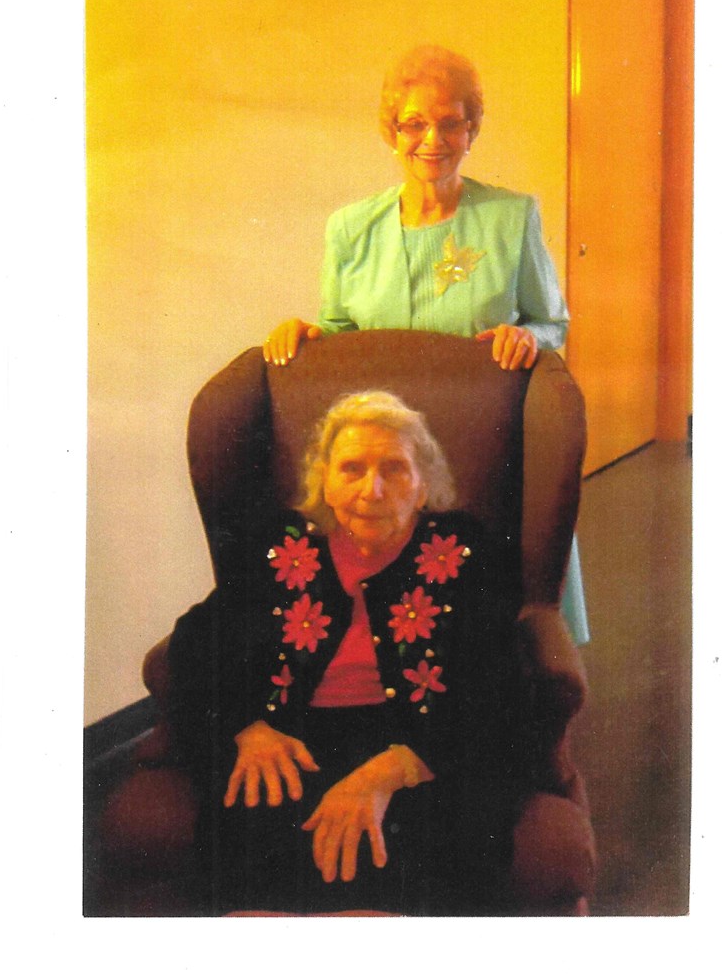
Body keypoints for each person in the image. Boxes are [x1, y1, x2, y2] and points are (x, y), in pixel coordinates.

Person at [261, 42, 588, 643]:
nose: (431, 139)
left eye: (450, 123)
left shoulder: (512, 216)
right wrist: (307, 334)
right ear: (392, 132)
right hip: (392, 468)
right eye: (414, 123)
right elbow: (341, 330)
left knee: (492, 635)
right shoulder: (350, 228)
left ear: (471, 131)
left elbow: (553, 323)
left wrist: (525, 334)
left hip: (485, 449)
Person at [172, 391, 520, 915]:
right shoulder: (282, 546)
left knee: (397, 895)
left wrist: (390, 772)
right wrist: (249, 728)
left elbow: (501, 685)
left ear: (424, 485)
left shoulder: (465, 550)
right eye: (352, 469)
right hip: (287, 744)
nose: (371, 490)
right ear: (325, 481)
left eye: (394, 469)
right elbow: (197, 642)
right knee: (251, 895)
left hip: (416, 747)